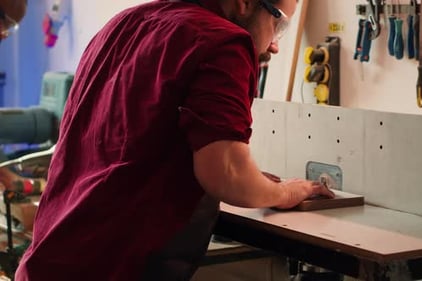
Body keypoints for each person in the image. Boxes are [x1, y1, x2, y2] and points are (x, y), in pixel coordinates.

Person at [15, 0, 334, 280]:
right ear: (244, 3)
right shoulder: (224, 42)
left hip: (53, 258)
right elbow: (225, 175)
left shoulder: (122, 24)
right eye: (278, 23)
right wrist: (285, 191)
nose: (275, 45)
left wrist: (247, 175)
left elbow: (140, 143)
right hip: (114, 266)